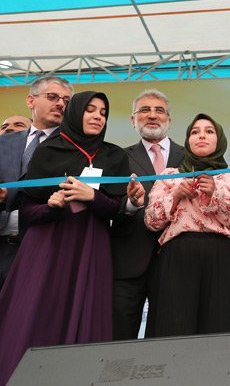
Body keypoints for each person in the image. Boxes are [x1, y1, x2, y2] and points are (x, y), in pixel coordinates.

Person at [0, 91, 141, 384]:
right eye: (90, 110)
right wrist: (51, 206)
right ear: (75, 112)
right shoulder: (49, 150)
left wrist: (94, 197)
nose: (97, 117)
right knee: (37, 314)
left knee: (85, 316)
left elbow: (116, 211)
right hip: (47, 246)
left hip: (91, 247)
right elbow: (27, 211)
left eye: (103, 112)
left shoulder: (114, 155)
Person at [145, 113, 230, 336]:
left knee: (221, 329)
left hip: (224, 258)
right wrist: (175, 196)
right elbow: (151, 221)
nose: (201, 136)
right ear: (188, 140)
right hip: (178, 257)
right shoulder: (170, 175)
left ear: (219, 140)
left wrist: (214, 195)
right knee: (174, 327)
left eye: (209, 132)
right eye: (195, 132)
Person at [111, 89, 185, 340]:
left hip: (177, 258)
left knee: (169, 337)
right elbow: (108, 204)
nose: (152, 115)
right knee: (120, 339)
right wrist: (130, 204)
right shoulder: (118, 158)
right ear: (133, 120)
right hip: (129, 260)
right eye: (144, 110)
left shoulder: (190, 157)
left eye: (159, 110)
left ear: (169, 120)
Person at [0, 76, 73, 290]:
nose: (60, 103)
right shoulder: (4, 142)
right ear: (30, 100)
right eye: (52, 97)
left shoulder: (74, 148)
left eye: (66, 100)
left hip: (44, 247)